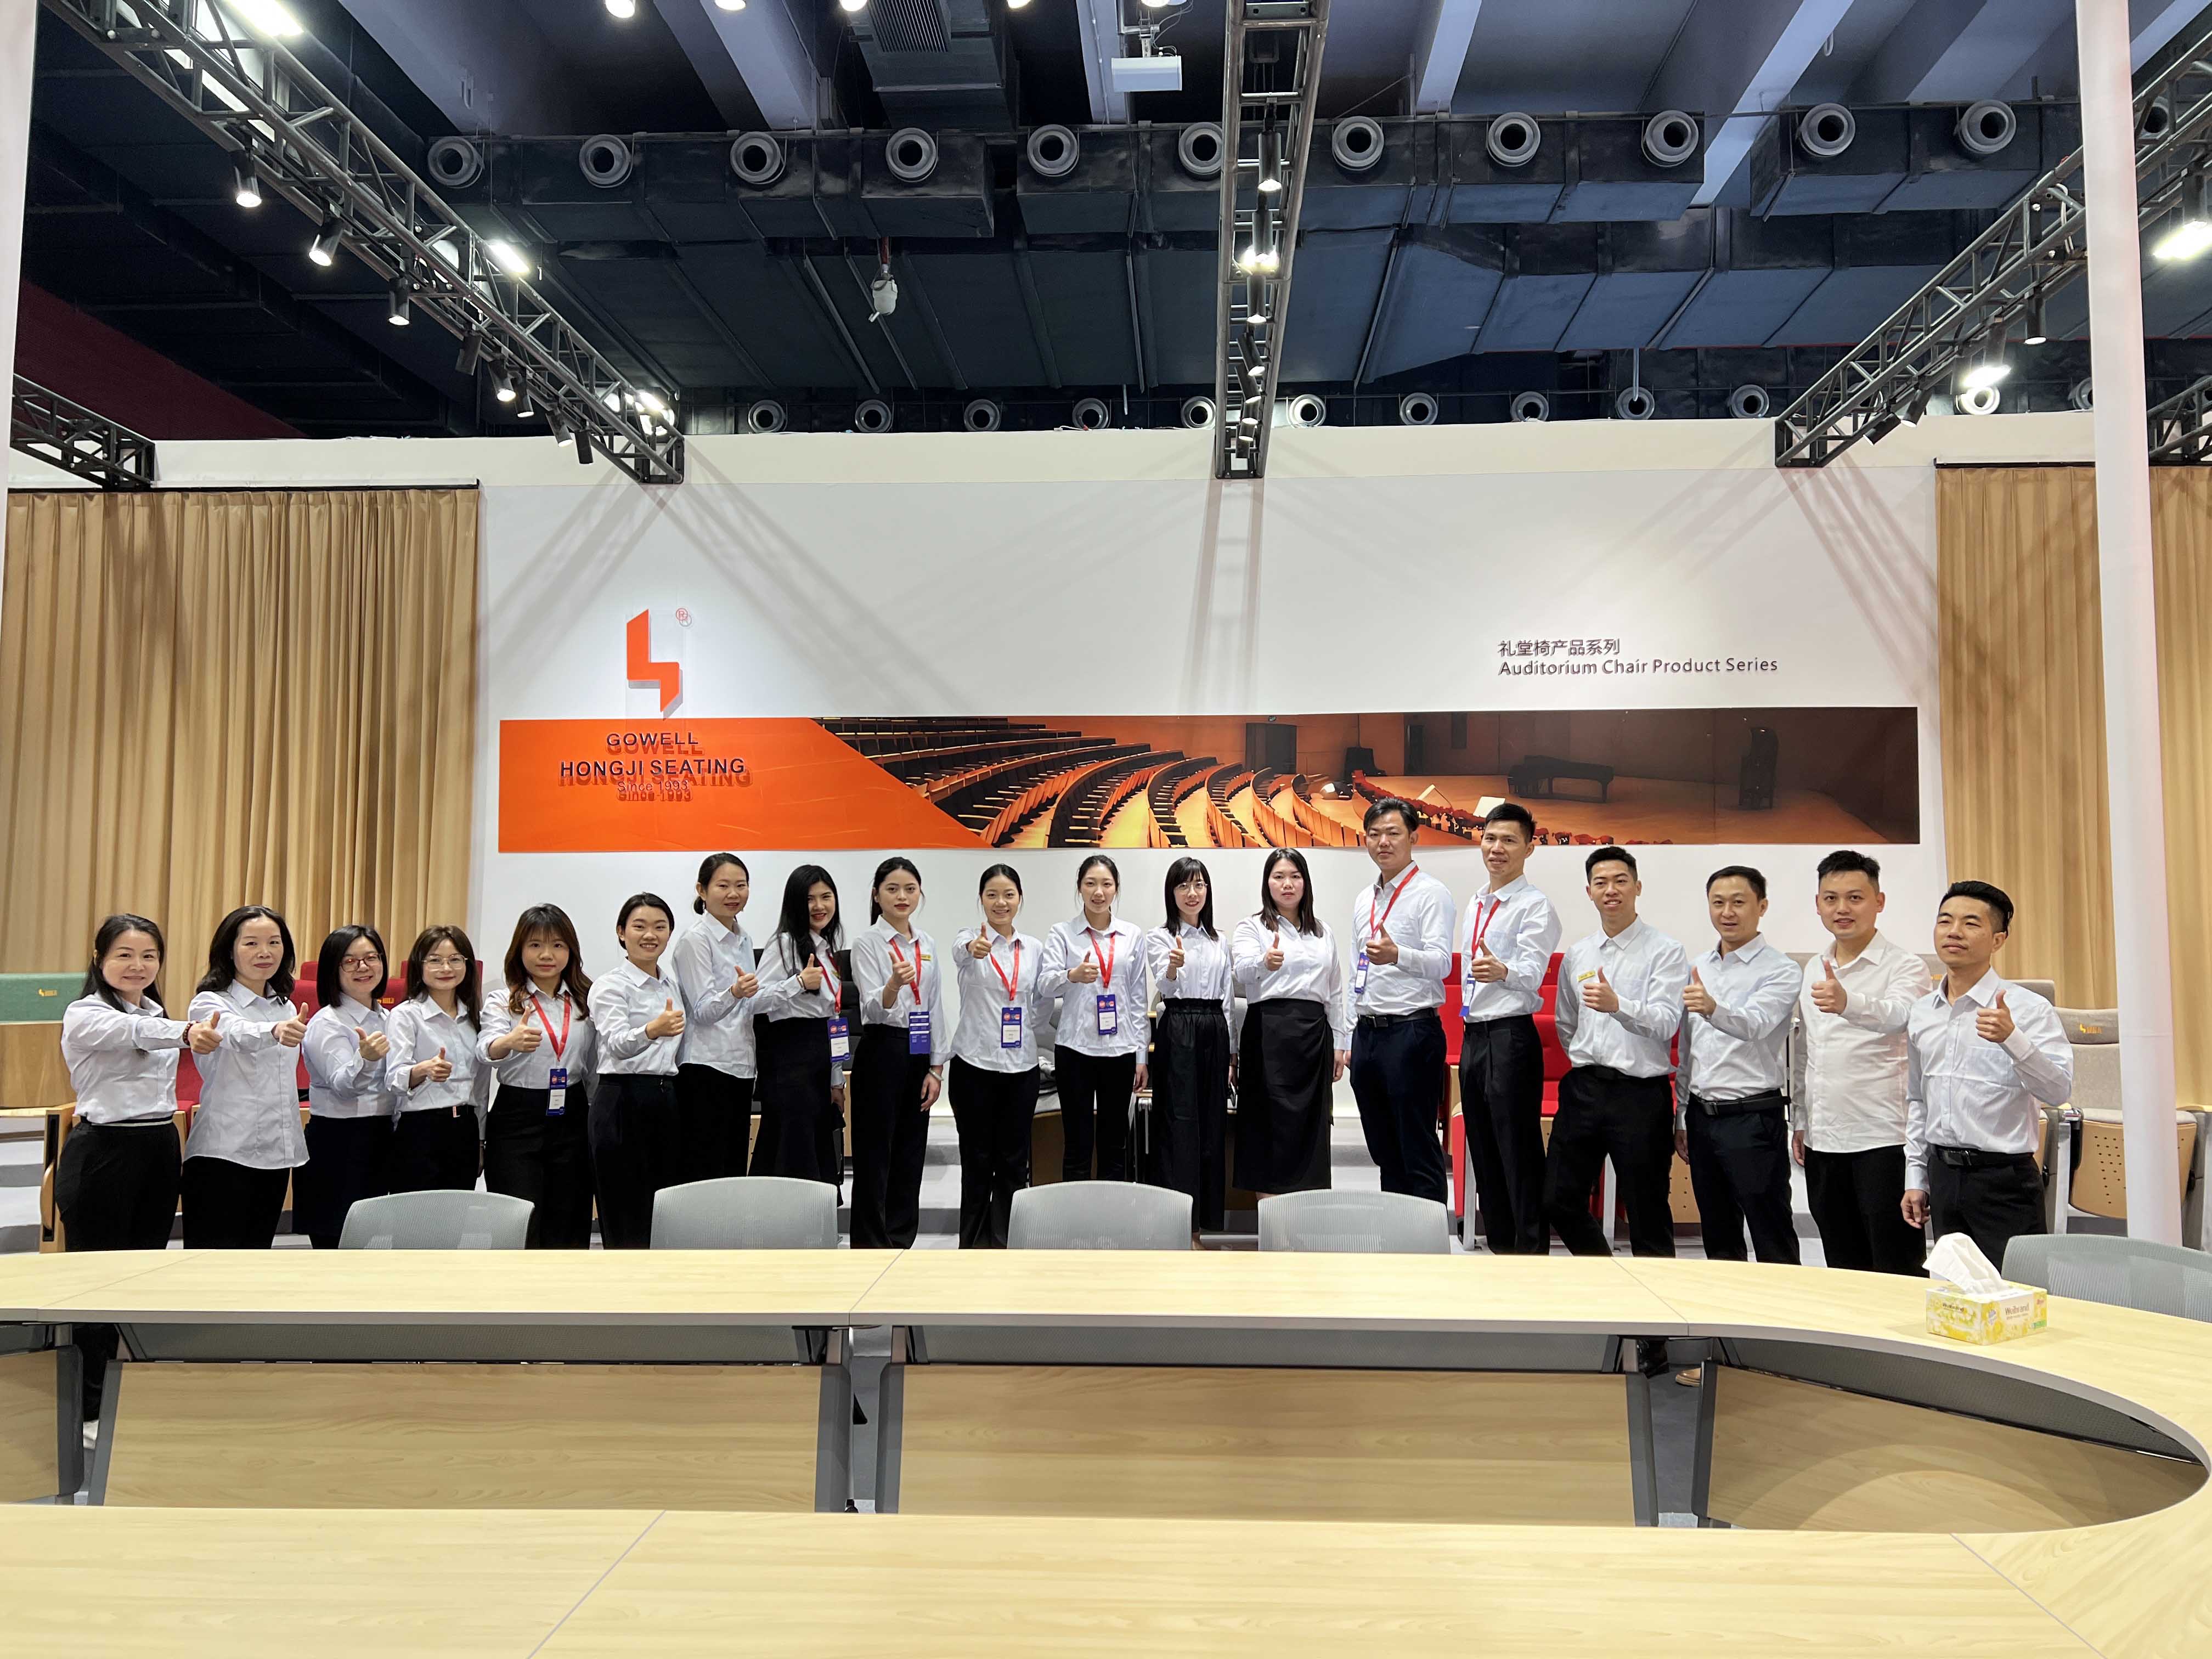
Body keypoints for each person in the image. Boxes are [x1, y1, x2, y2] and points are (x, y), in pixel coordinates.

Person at [58, 915, 221, 1417]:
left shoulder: (155, 1011)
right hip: (103, 1151)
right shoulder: (85, 1013)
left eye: (149, 956)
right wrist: (188, 1031)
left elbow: (151, 1028)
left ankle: (128, 1390)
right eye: (124, 955)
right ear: (99, 959)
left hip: (158, 1145)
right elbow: (134, 1032)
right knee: (96, 1280)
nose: (138, 966)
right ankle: (87, 1403)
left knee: (143, 1270)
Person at [1903, 881, 2072, 1269]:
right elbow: (1918, 1100)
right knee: (1954, 1292)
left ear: (1998, 940)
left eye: (1970, 923)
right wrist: (1916, 1176)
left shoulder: (2028, 1009)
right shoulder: (1922, 1012)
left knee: (2018, 1291)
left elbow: (2058, 1090)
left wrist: (2013, 1039)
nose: (1954, 932)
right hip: (1943, 1175)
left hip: (2003, 1180)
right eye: (1945, 921)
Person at [1544, 849, 1688, 1267]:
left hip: (1639, 1095)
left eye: (1621, 881)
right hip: (1585, 1090)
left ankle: (1656, 1305)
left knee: (1647, 1210)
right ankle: (1611, 1277)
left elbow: (1666, 1023)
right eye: (1601, 883)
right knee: (1558, 1199)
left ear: (1637, 887)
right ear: (1589, 892)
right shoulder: (1579, 954)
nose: (1611, 890)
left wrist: (1618, 1006)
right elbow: (1567, 1023)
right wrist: (1590, 1057)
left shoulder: (1665, 951)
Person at [1795, 850, 1932, 1274]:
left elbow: (1901, 1015)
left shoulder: (1905, 966)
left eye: (1855, 898)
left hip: (1882, 1140)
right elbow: (1807, 1051)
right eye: (1831, 899)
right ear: (1818, 904)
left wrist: (1848, 1003)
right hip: (1824, 1140)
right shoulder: (1814, 968)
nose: (1842, 909)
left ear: (1879, 901)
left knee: (1896, 1265)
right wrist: (1801, 1117)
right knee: (1842, 1264)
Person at [1678, 866, 1803, 1266]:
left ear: (1761, 906)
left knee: (1770, 1230)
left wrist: (1713, 1008)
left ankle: (1783, 1306)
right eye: (1718, 903)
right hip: (1702, 1117)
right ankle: (1724, 1305)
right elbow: (1689, 1048)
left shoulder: (1781, 969)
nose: (1727, 912)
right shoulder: (1698, 965)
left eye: (1738, 902)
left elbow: (1756, 1024)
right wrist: (1682, 1114)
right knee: (1717, 1232)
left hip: (1752, 1118)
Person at [1456, 802, 1560, 1253]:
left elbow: (1533, 972)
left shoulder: (1535, 907)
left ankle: (1531, 1254)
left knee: (1518, 1153)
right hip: (1474, 1036)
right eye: (1491, 838)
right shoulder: (1476, 902)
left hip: (1511, 1037)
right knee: (1484, 1149)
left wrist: (1504, 971)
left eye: (1509, 840)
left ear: (1529, 848)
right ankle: (1500, 1250)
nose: (1497, 848)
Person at [1346, 797, 1455, 1201]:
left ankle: (1428, 1237)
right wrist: (1350, 1032)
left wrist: (1399, 956)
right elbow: (1356, 968)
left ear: (1414, 837)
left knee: (1416, 1147)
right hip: (1368, 1035)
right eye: (1374, 834)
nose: (1383, 842)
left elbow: (1442, 963)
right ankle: (1396, 1232)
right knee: (1384, 1149)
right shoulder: (1364, 899)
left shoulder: (1431, 894)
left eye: (1393, 833)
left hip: (1411, 1031)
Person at [183, 906, 309, 1248]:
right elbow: (235, 1033)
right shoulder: (209, 1003)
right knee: (212, 1263)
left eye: (274, 942)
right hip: (225, 1152)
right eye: (251, 943)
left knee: (256, 1259)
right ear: (229, 950)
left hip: (275, 1153)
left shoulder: (284, 1006)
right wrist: (275, 1031)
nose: (264, 952)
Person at [1230, 849, 1349, 1197]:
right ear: (1267, 883)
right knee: (1267, 1126)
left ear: (1305, 883)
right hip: (1268, 1032)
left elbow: (1335, 991)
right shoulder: (1252, 927)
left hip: (1314, 1035)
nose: (1287, 884)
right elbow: (1240, 972)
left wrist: (1341, 1041)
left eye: (1295, 877)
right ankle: (1270, 1217)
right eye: (1279, 877)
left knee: (1311, 1125)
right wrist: (1264, 962)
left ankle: (1304, 1215)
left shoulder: (1322, 931)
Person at [479, 905, 596, 1249]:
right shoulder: (504, 1000)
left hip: (572, 1112)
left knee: (569, 1217)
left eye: (558, 945)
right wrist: (508, 1042)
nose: (547, 955)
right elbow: (485, 1048)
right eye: (535, 945)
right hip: (518, 1115)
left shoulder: (585, 999)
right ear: (520, 950)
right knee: (519, 1220)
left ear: (570, 950)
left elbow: (593, 1062)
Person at [849, 857, 947, 1249]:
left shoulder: (927, 943)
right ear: (877, 895)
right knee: (876, 1152)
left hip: (919, 1051)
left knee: (911, 1150)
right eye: (892, 889)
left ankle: (902, 1239)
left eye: (910, 889)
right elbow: (872, 1009)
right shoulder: (867, 943)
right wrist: (892, 985)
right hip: (883, 1048)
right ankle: (871, 1244)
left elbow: (935, 1005)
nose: (902, 896)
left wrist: (937, 1068)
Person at [949, 865, 1044, 1247]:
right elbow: (961, 953)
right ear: (981, 900)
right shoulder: (969, 940)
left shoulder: (1033, 948)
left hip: (1021, 1068)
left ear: (1020, 898)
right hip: (975, 1066)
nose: (1001, 902)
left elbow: (1041, 1001)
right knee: (976, 1161)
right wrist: (974, 949)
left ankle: (1007, 1243)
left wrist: (1027, 1028)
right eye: (992, 895)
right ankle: (971, 1245)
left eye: (1008, 895)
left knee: (1013, 1162)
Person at [1040, 855, 1149, 1183]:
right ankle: (1077, 1215)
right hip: (1075, 1049)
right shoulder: (1063, 933)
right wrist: (1070, 976)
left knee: (1115, 1144)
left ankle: (1110, 1214)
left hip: (1120, 1050)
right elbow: (1044, 984)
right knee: (1077, 1143)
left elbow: (1138, 999)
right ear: (1080, 888)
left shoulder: (1132, 935)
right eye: (1090, 884)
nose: (1098, 892)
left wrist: (1141, 1056)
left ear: (1116, 889)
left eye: (1106, 884)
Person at [588, 893, 687, 1247]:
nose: (650, 935)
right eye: (640, 926)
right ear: (621, 932)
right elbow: (616, 1044)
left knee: (663, 1207)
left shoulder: (671, 984)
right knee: (624, 1208)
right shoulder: (610, 986)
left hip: (665, 1097)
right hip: (622, 1099)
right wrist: (652, 1030)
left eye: (660, 927)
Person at [1145, 856, 1236, 1239]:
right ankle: (1180, 1223)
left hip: (1214, 1027)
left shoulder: (1220, 940)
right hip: (1179, 1024)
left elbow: (1228, 998)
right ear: (1172, 893)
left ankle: (1208, 1221)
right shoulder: (1159, 938)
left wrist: (1232, 1055)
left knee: (1212, 1124)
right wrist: (1172, 966)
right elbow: (1164, 990)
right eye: (1183, 886)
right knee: (1178, 1124)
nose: (1192, 893)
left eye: (1199, 885)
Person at [295, 926, 396, 1249]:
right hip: (339, 1142)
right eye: (350, 961)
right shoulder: (327, 1023)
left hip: (382, 1136)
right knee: (337, 1246)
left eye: (371, 958)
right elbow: (343, 1086)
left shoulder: (389, 1018)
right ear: (333, 969)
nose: (363, 967)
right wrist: (364, 1059)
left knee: (378, 1244)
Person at [751, 866, 848, 1187]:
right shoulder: (784, 944)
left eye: (826, 897)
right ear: (795, 903)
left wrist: (836, 1080)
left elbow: (833, 1017)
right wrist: (798, 983)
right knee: (793, 1148)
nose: (819, 906)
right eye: (809, 899)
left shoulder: (827, 949)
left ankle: (813, 1215)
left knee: (813, 1144)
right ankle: (789, 1217)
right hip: (790, 1060)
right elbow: (755, 1002)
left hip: (819, 1058)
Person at [667, 853, 760, 1182]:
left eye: (741, 885)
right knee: (705, 1168)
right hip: (706, 1066)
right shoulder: (695, 940)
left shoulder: (744, 937)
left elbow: (750, 1001)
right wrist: (734, 992)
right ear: (702, 890)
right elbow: (703, 1011)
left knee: (733, 1166)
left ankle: (730, 1219)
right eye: (723, 886)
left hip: (741, 1063)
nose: (733, 894)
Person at [383, 926, 488, 1194]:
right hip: (420, 1129)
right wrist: (422, 1070)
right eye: (435, 960)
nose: (446, 968)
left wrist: (480, 1140)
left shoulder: (473, 1017)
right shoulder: (406, 1015)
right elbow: (393, 1079)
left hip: (465, 1128)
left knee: (456, 1213)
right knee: (416, 1215)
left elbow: (480, 1086)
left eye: (455, 959)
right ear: (419, 965)